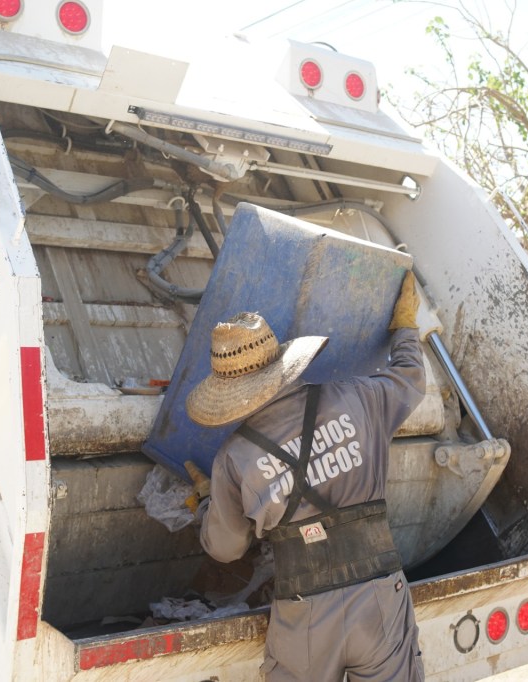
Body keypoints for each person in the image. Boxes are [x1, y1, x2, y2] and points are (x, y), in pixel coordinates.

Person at [182, 271, 426, 682]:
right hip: (380, 598)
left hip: (305, 612)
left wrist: (209, 501)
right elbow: (410, 376)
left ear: (226, 390)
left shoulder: (234, 458)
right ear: (279, 361)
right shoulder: (358, 397)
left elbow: (225, 549)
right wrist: (404, 326)